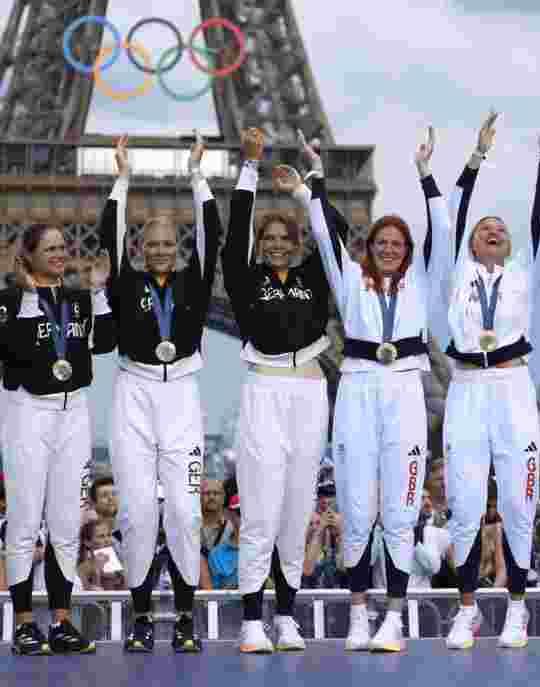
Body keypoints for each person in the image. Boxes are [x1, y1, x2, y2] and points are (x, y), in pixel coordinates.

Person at [286, 128, 448, 652]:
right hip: (356, 390)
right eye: (381, 243)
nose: (388, 250)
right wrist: (316, 178)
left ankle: (394, 619)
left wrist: (425, 174)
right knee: (356, 513)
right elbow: (323, 228)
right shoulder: (349, 281)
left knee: (401, 515)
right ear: (370, 247)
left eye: (397, 245)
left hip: (403, 392)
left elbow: (442, 229)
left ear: (407, 253)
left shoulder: (422, 283)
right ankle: (359, 616)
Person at [100, 134, 222, 654]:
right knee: (135, 512)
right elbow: (107, 233)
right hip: (134, 392)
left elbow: (214, 234)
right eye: (151, 246)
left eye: (168, 245)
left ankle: (188, 619)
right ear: (139, 249)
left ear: (179, 248)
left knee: (186, 511)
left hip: (181, 400)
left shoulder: (193, 281)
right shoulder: (125, 283)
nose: (160, 252)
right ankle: (143, 615)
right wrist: (122, 178)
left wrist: (197, 176)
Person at [221, 127, 340, 653]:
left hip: (311, 392)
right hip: (264, 389)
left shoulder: (315, 276)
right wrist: (250, 167)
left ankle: (286, 615)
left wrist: (306, 189)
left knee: (298, 507)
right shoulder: (247, 280)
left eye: (283, 239)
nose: (273, 245)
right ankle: (251, 620)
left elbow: (332, 232)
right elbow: (232, 240)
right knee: (262, 509)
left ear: (296, 245)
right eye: (266, 239)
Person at [439, 110, 540, 650]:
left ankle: (518, 608)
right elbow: (454, 214)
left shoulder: (524, 274)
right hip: (465, 389)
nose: (492, 231)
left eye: (498, 229)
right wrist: (476, 158)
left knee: (520, 501)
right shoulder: (456, 274)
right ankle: (466, 610)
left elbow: (538, 221)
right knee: (462, 500)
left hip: (511, 388)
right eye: (485, 229)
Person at [0, 225, 115, 655]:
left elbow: (104, 343)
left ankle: (62, 622)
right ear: (26, 256)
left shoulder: (77, 300)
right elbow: (14, 351)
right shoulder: (8, 302)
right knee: (27, 522)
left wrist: (100, 291)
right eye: (48, 248)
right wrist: (30, 296)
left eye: (62, 248)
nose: (59, 254)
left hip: (74, 410)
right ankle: (25, 624)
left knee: (66, 523)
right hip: (28, 410)